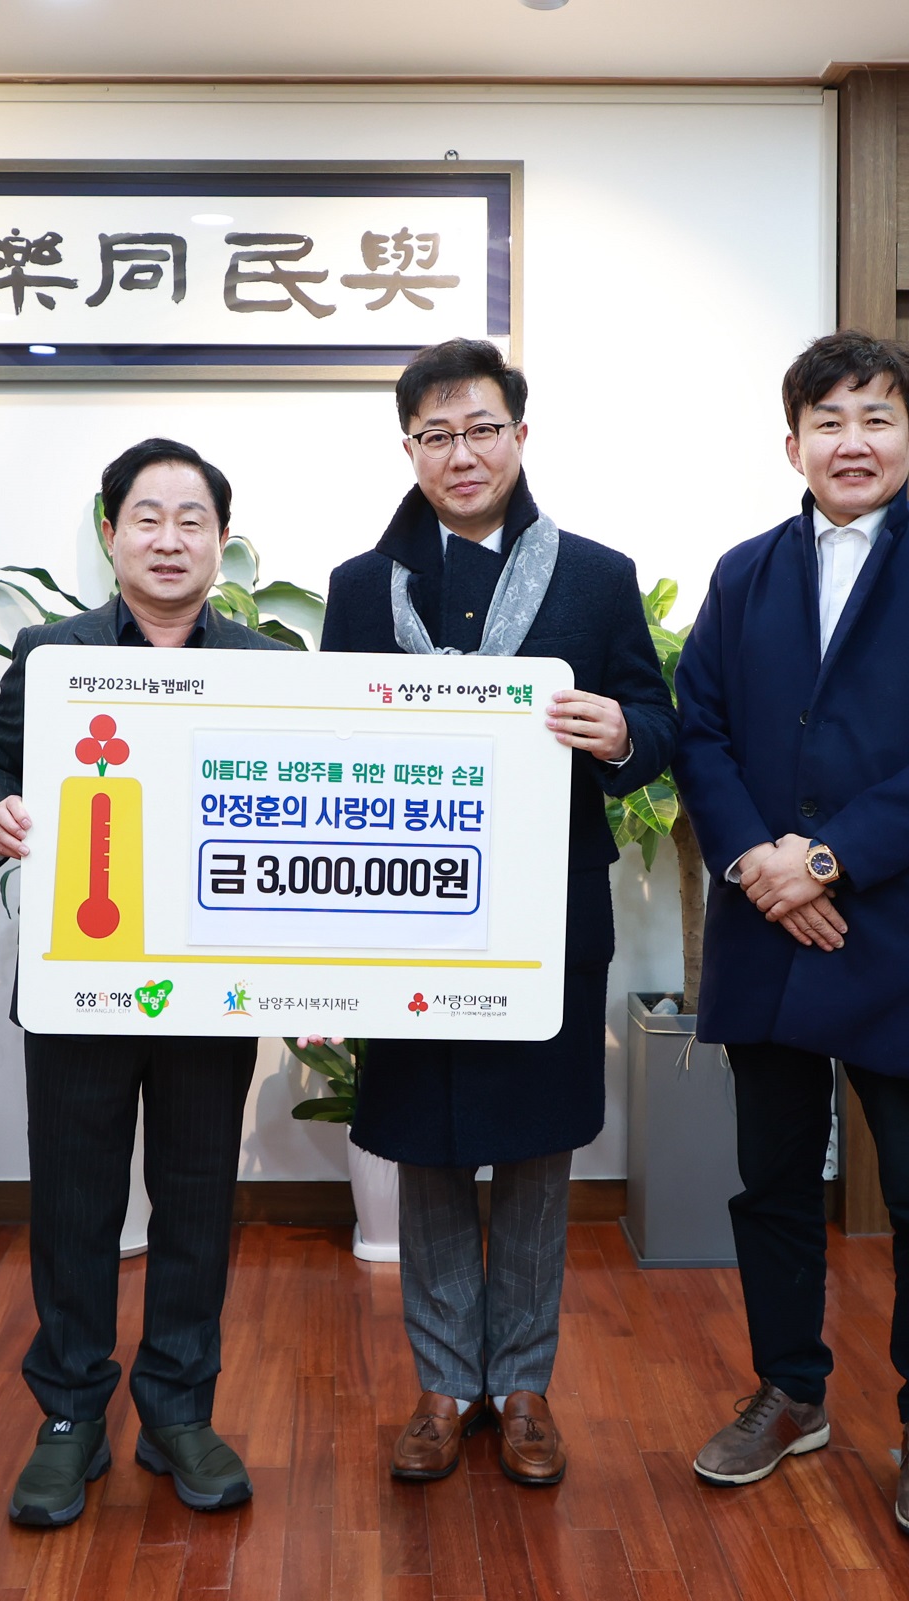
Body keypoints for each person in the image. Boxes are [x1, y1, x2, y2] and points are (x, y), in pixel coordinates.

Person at [671, 331, 909, 1540]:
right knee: (771, 1180)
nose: (852, 440)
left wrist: (822, 860)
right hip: (766, 928)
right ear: (793, 445)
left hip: (895, 928)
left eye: (875, 417)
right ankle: (790, 1389)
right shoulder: (742, 574)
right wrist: (758, 865)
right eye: (828, 420)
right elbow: (700, 730)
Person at [318, 339, 677, 1487]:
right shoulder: (360, 587)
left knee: (533, 1148)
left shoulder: (596, 576)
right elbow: (325, 750)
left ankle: (522, 1385)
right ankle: (442, 1384)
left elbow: (655, 721)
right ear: (409, 449)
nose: (461, 452)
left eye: (480, 428)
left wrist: (620, 733)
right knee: (426, 1148)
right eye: (436, 434)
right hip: (407, 918)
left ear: (520, 434)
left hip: (545, 915)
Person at [0, 438, 287, 1528]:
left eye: (193, 519)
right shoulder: (54, 656)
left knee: (196, 1200)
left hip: (209, 982)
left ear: (222, 542)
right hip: (84, 978)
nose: (169, 538)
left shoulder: (264, 667)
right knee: (75, 1203)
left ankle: (179, 1410)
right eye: (147, 516)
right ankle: (69, 1416)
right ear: (110, 534)